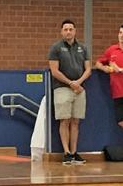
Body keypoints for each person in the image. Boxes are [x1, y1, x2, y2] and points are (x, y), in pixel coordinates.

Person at [48, 19, 91, 165]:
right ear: (61, 31)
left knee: (76, 121)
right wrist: (71, 83)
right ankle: (66, 153)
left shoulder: (83, 48)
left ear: (75, 31)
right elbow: (54, 71)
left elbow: (88, 69)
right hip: (62, 88)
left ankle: (74, 152)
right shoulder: (56, 48)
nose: (68, 32)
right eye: (65, 29)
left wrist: (78, 83)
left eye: (71, 29)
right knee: (64, 120)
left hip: (79, 89)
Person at [95, 24, 123, 129]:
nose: (122, 36)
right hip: (118, 92)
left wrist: (119, 69)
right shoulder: (112, 50)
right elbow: (98, 63)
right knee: (120, 121)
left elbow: (118, 69)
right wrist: (104, 68)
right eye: (120, 33)